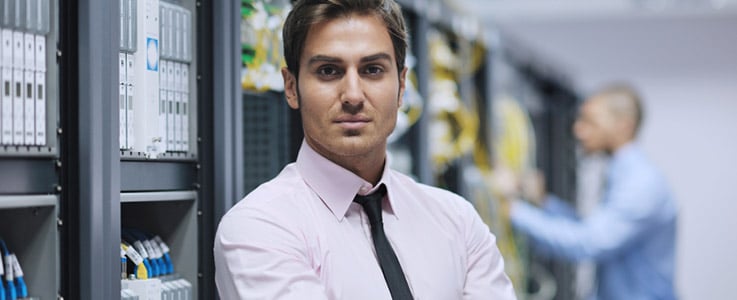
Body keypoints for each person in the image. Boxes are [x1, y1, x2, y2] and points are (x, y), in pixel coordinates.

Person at [214, 0, 516, 299]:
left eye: (372, 70)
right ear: (291, 87)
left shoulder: (458, 222)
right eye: (329, 71)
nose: (353, 95)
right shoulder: (259, 229)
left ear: (401, 86)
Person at [504, 84, 678, 299]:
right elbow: (590, 229)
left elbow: (590, 242)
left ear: (624, 126)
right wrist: (543, 203)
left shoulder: (641, 184)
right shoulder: (624, 174)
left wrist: (512, 210)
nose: (578, 129)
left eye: (590, 121)